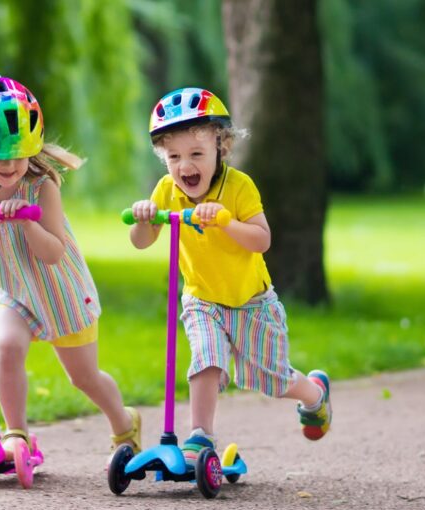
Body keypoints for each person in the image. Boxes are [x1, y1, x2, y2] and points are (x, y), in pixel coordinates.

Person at [127, 87, 332, 466]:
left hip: (252, 302)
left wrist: (225, 221)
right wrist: (144, 218)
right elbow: (142, 241)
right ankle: (200, 436)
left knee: (272, 379)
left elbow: (262, 239)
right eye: (174, 157)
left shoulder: (239, 187)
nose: (184, 166)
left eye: (196, 154)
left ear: (221, 147)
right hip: (202, 299)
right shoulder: (166, 190)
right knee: (206, 359)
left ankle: (314, 394)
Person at [0, 74, 141, 460]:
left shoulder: (41, 188)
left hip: (60, 292)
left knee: (84, 377)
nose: (9, 165)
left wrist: (26, 222)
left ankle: (124, 422)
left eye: (18, 155)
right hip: (13, 292)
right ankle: (16, 435)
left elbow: (53, 252)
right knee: (5, 348)